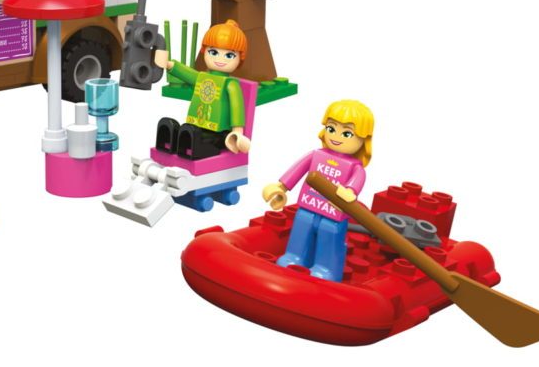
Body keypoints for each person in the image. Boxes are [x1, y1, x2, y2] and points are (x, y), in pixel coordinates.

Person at [262, 99, 374, 281]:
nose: (336, 137)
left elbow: (355, 184)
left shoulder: (355, 167)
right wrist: (281, 187)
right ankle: (295, 257)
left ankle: (326, 268)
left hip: (333, 214)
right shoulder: (316, 155)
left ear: (364, 140)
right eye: (331, 129)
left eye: (347, 133)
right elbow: (297, 170)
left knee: (329, 233)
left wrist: (350, 192)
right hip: (309, 206)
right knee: (302, 226)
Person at [153, 20, 250, 159]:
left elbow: (237, 106)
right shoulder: (202, 77)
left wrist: (237, 131)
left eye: (229, 55)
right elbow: (187, 73)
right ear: (204, 51)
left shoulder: (231, 84)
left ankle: (189, 146)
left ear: (240, 59)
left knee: (194, 136)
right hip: (196, 126)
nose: (220, 59)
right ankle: (171, 141)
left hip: (219, 134)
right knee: (177, 129)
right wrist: (168, 64)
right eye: (213, 52)